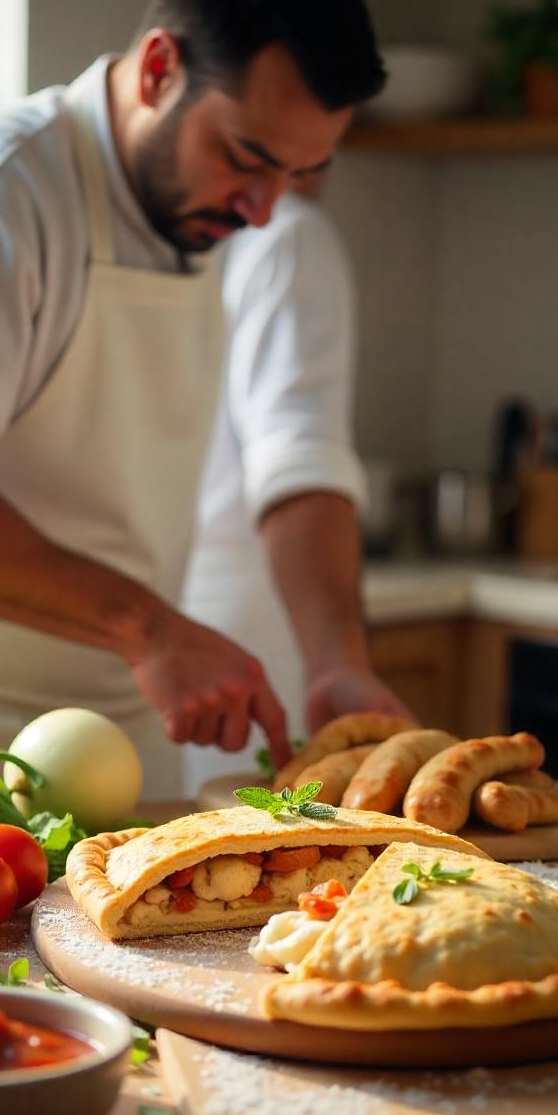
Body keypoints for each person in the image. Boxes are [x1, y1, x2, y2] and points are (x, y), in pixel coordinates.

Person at [0, 0, 386, 796]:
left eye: (299, 174)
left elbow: (299, 450)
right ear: (157, 71)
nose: (263, 212)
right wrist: (151, 630)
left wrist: (335, 660)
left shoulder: (215, 215)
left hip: (123, 741)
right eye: (246, 157)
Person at [181, 182, 413, 794]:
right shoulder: (285, 233)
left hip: (219, 659)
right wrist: (337, 662)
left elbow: (296, 455)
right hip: (222, 648)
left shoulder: (271, 238)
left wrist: (335, 662)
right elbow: (298, 451)